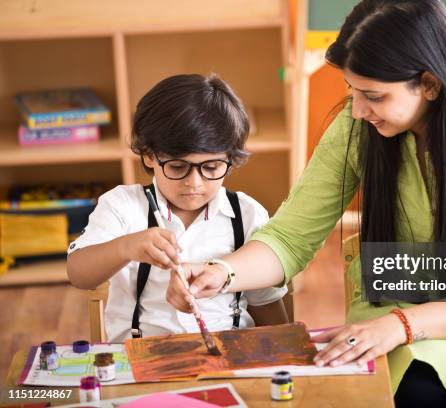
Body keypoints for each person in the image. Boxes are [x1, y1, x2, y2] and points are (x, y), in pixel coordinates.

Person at [165, 1, 446, 406]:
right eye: (352, 91)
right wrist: (223, 273)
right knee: (414, 394)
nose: (358, 109)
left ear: (429, 83)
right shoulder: (356, 126)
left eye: (374, 96)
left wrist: (403, 327)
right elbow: (291, 237)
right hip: (396, 301)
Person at [67, 73, 288, 342]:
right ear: (149, 155)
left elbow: (267, 306)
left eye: (212, 167)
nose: (194, 183)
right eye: (177, 167)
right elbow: (79, 274)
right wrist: (126, 247)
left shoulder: (247, 214)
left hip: (230, 355)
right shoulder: (122, 205)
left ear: (230, 159)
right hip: (140, 359)